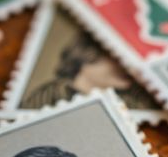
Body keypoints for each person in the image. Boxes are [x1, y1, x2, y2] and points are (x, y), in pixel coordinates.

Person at [22, 33, 154, 109]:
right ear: (85, 58)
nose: (125, 67)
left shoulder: (135, 102)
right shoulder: (49, 95)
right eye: (115, 59)